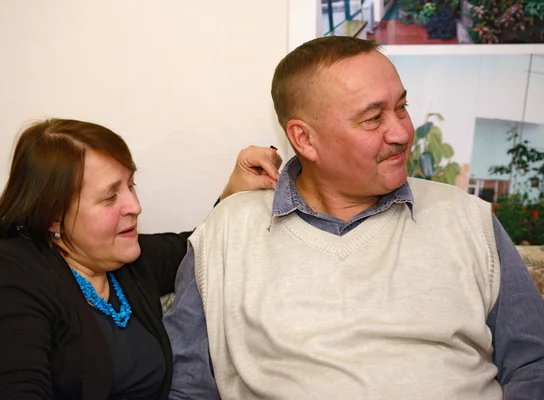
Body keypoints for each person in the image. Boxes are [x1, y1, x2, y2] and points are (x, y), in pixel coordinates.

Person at [163, 36, 544, 399]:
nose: (401, 132)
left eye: (401, 108)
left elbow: (533, 364)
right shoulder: (226, 233)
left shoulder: (466, 217)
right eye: (373, 118)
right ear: (305, 139)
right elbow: (188, 385)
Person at [0, 118, 282, 400]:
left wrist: (233, 193)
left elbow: (197, 247)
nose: (135, 206)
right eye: (110, 197)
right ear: (53, 217)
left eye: (131, 186)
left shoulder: (124, 260)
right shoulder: (7, 281)